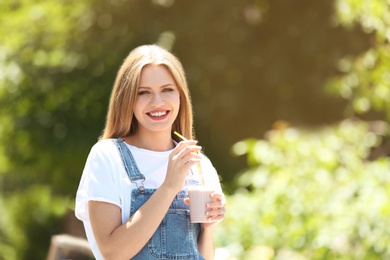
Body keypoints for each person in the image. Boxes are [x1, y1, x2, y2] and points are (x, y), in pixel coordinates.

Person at [75, 44, 226, 260]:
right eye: (144, 92)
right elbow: (113, 253)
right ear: (128, 99)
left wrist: (209, 228)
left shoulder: (199, 164)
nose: (157, 102)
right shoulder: (107, 157)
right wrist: (169, 187)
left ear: (180, 96)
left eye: (167, 90)